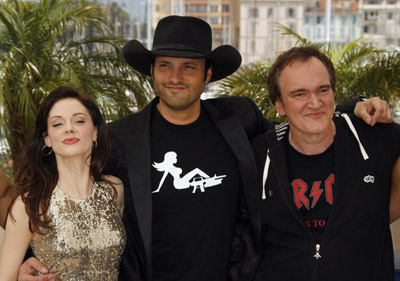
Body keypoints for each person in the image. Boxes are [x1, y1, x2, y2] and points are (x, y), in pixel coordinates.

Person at [15, 16, 393, 281]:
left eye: (188, 67)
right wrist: (28, 260)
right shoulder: (119, 139)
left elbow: (299, 120)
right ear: (152, 71)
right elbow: (61, 195)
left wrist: (350, 107)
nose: (175, 77)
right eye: (165, 65)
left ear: (207, 74)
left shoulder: (239, 119)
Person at [250, 46, 400, 281]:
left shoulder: (376, 138)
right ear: (279, 105)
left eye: (323, 90)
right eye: (299, 94)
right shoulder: (257, 155)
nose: (315, 102)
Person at [0, 86, 126, 280]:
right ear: (47, 139)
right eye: (58, 124)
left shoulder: (114, 190)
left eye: (79, 120)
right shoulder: (29, 205)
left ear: (95, 133)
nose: (69, 128)